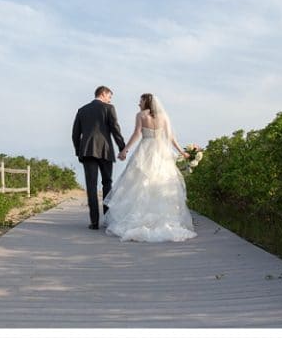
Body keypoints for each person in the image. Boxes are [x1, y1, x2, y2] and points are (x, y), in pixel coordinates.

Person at [103, 93, 197, 242]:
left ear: (146, 101)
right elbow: (171, 137)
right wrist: (182, 152)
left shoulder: (141, 115)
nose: (138, 103)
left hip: (145, 149)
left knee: (139, 183)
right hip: (161, 152)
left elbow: (136, 134)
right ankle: (164, 220)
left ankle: (138, 218)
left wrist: (124, 150)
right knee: (162, 182)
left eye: (140, 100)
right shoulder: (164, 116)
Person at [72, 86, 126, 230]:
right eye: (109, 96)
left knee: (91, 186)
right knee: (107, 183)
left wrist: (79, 151)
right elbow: (115, 129)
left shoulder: (82, 110)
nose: (110, 99)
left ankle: (94, 222)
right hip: (105, 151)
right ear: (103, 94)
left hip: (87, 151)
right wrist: (122, 148)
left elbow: (75, 135)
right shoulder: (109, 108)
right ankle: (107, 220)